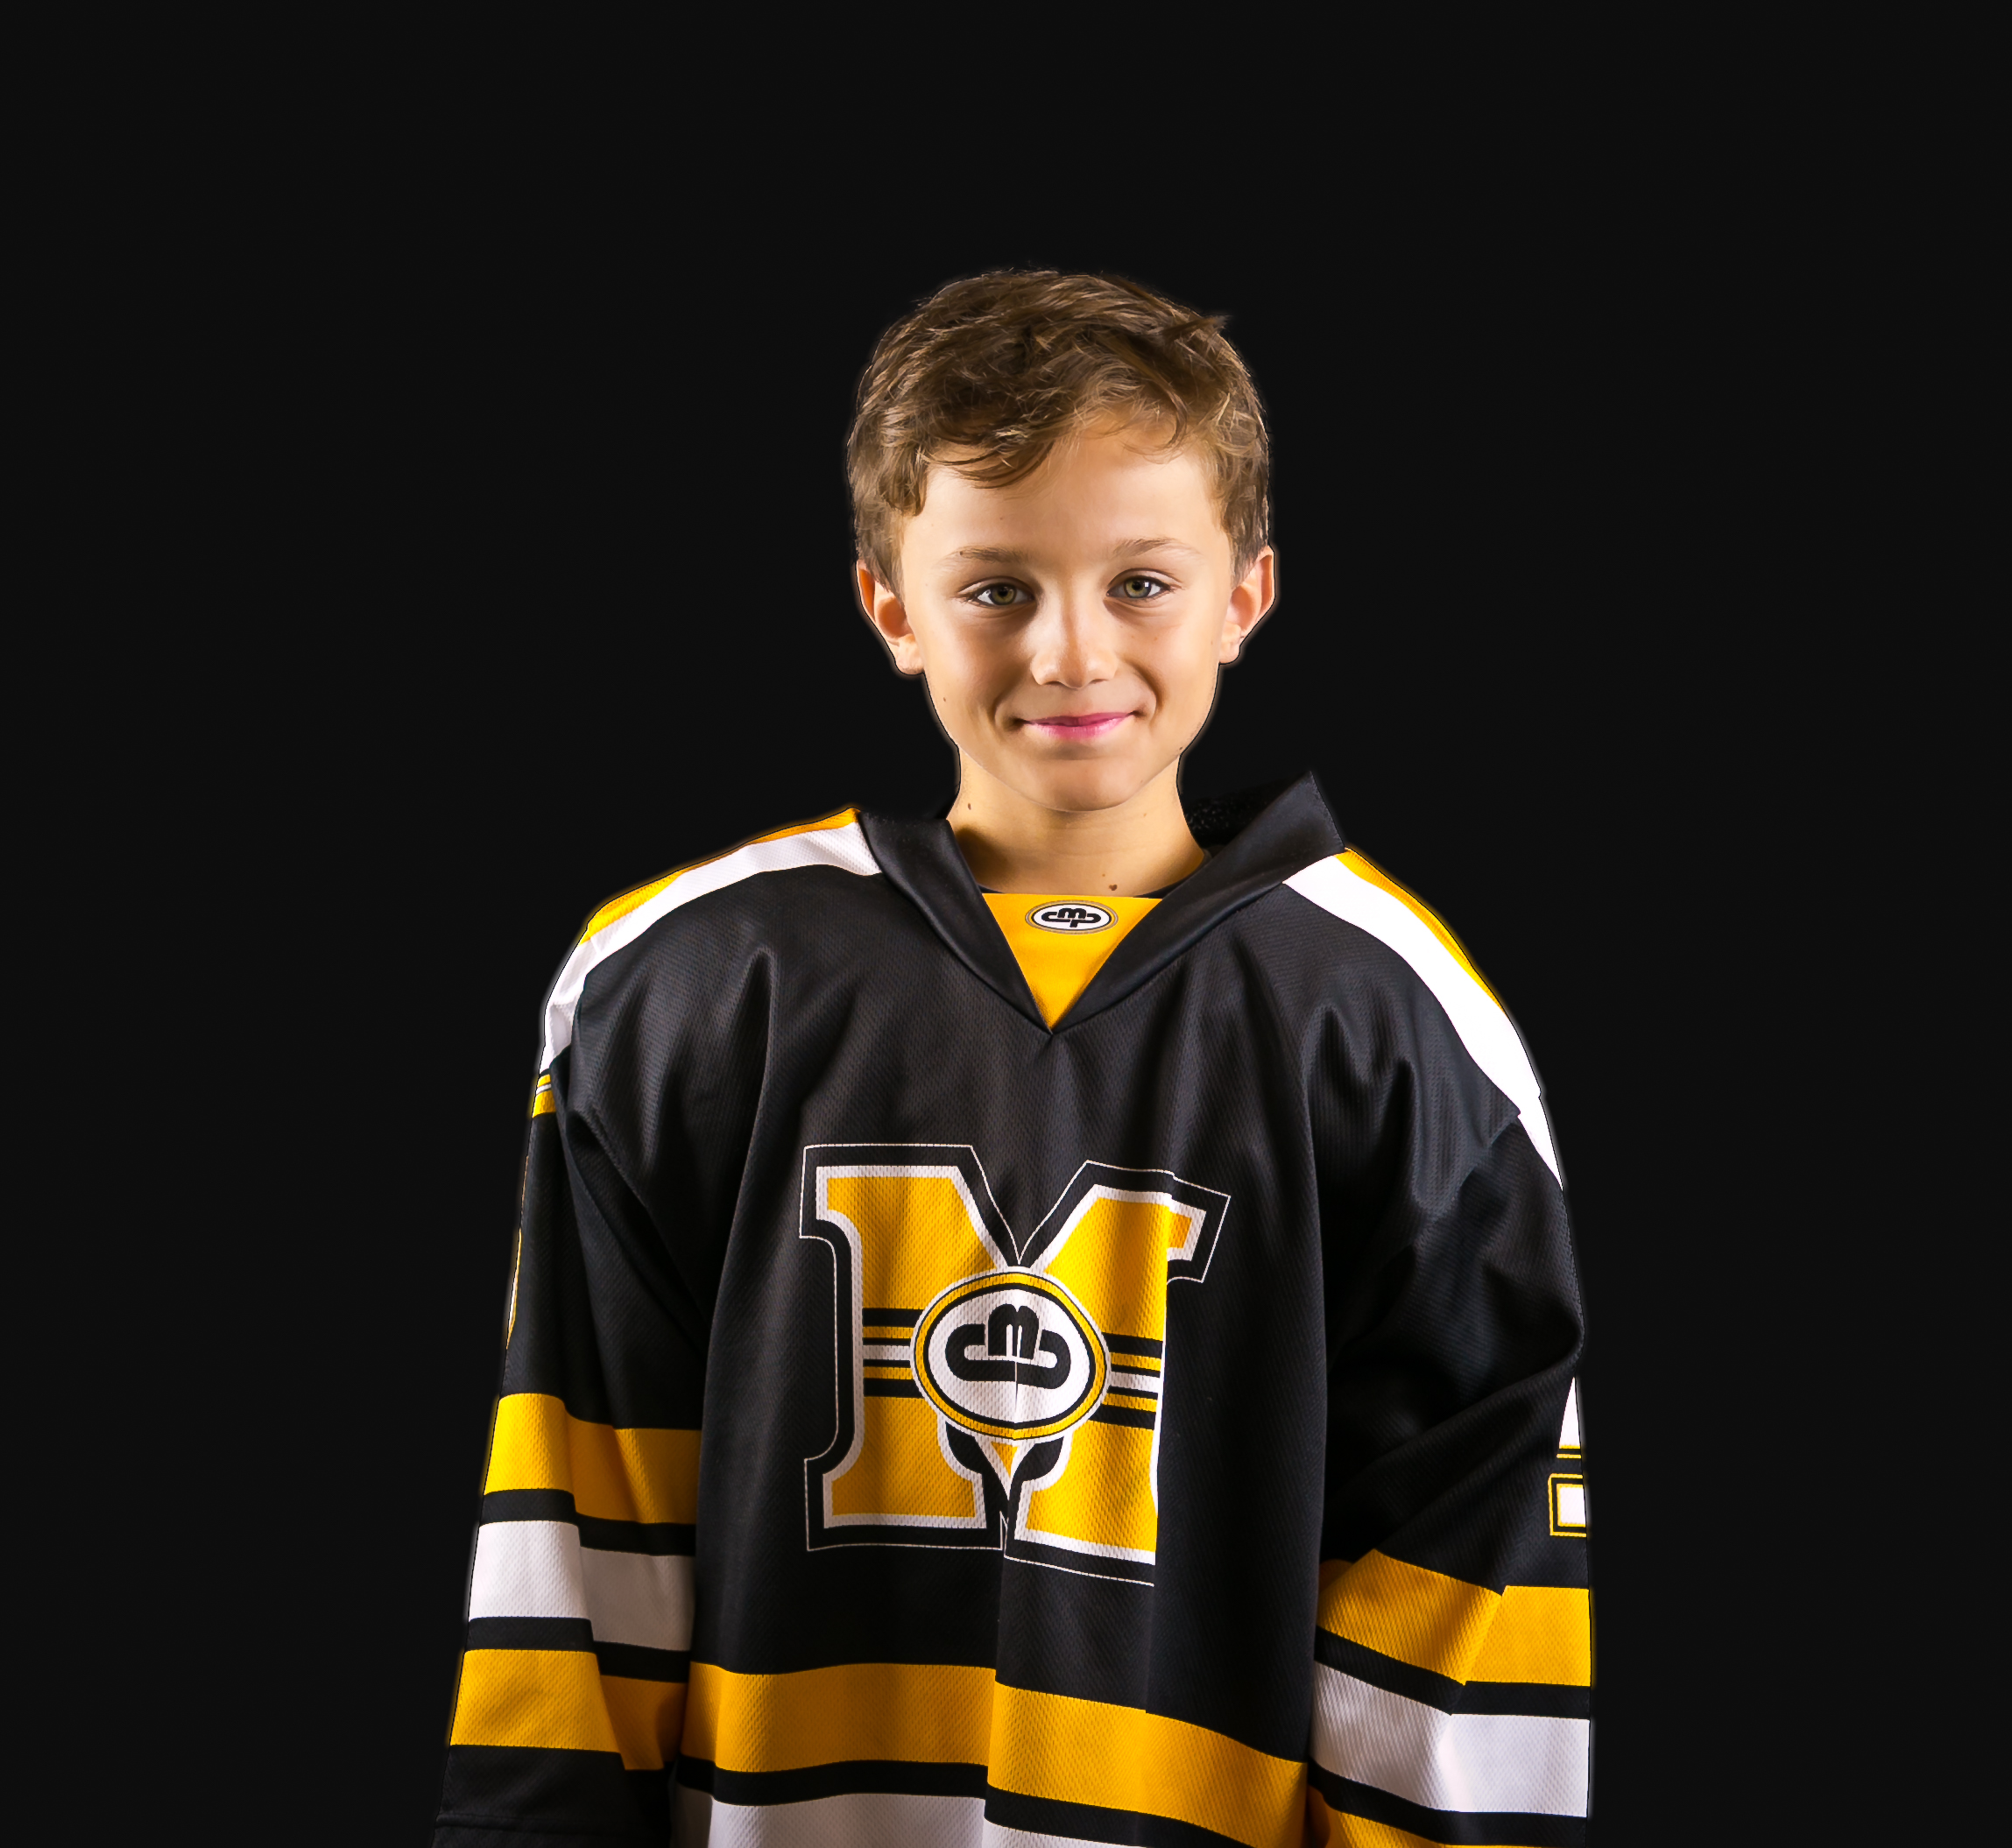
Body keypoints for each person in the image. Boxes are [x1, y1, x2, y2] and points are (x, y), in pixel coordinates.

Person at [432, 271, 1592, 1848]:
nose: (1068, 651)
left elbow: (1467, 1568)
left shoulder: (1396, 1016)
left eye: (1140, 582)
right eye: (994, 587)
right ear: (889, 608)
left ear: (1246, 594)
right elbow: (583, 1521)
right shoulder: (683, 981)